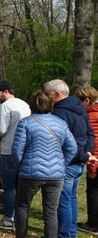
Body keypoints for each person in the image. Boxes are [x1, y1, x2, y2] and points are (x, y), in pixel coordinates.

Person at [12, 90, 78, 238]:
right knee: (51, 212)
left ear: (31, 105)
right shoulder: (61, 123)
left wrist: (21, 165)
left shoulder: (26, 123)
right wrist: (62, 163)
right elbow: (72, 147)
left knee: (22, 206)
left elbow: (16, 150)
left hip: (30, 173)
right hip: (56, 175)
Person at [44, 79, 95, 238]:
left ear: (57, 94)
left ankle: (65, 234)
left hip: (68, 162)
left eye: (47, 94)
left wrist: (84, 155)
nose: (44, 97)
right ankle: (71, 232)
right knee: (71, 198)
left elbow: (64, 141)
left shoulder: (59, 113)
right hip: (80, 162)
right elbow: (90, 133)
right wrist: (87, 153)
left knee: (63, 201)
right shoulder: (79, 109)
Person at [0, 80, 31, 230]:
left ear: (5, 91)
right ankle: (20, 217)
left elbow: (1, 130)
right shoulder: (24, 104)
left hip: (8, 150)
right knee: (21, 186)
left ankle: (8, 218)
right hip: (24, 150)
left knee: (9, 187)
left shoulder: (6, 106)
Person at [76, 86, 98, 234]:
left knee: (94, 191)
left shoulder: (91, 116)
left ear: (87, 100)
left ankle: (93, 224)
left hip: (95, 160)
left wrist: (92, 167)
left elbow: (95, 142)